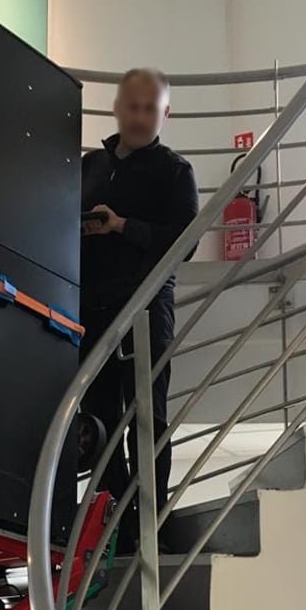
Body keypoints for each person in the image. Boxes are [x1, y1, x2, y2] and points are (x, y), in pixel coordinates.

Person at [80, 68, 199, 554]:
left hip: (147, 310)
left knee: (147, 421)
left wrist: (123, 226)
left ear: (164, 114)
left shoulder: (175, 171)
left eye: (151, 108)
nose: (140, 115)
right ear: (117, 107)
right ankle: (118, 531)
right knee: (101, 423)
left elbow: (185, 245)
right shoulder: (88, 167)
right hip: (91, 311)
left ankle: (150, 524)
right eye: (132, 105)